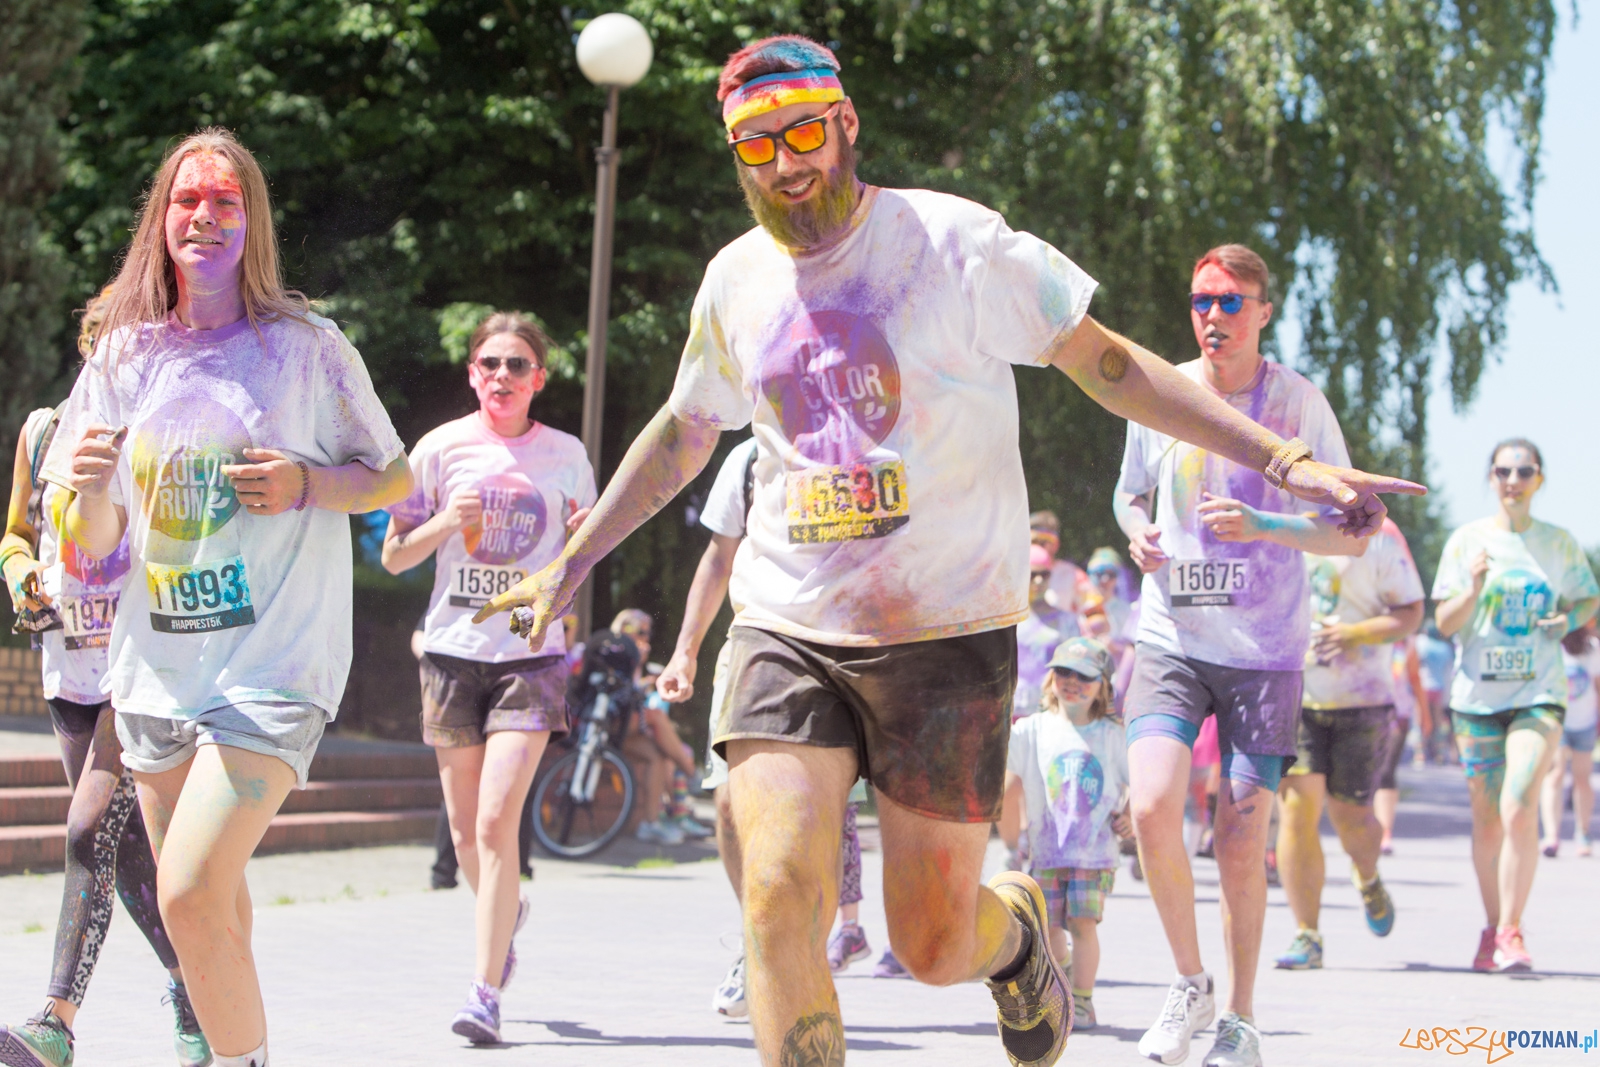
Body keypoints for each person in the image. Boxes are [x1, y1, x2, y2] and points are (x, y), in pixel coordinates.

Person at [474, 38, 1416, 1067]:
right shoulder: (734, 280)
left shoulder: (954, 241)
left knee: (930, 942)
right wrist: (572, 554)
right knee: (778, 890)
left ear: (845, 124)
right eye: (756, 144)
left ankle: (1011, 936)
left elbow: (1107, 364)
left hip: (947, 638)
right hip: (789, 622)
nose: (785, 162)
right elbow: (685, 428)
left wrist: (1281, 455)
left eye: (801, 132)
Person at [37, 128, 411, 1067]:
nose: (204, 217)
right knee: (220, 909)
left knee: (190, 893)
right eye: (187, 202)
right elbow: (97, 542)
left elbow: (394, 477)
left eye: (225, 203)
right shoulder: (125, 356)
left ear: (253, 222)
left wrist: (307, 485)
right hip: (156, 673)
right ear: (162, 221)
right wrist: (85, 488)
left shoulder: (306, 348)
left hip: (275, 666)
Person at [1114, 243, 1388, 1067]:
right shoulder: (1161, 390)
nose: (1213, 316)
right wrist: (1139, 535)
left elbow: (1351, 535)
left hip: (1266, 651)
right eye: (1202, 301)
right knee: (1153, 804)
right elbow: (1128, 493)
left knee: (1240, 835)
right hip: (1172, 636)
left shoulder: (1299, 405)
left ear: (1264, 311)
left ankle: (1240, 1015)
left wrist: (1266, 525)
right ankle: (1189, 981)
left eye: (1232, 302)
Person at [0, 303, 210, 1067]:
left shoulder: (166, 433)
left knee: (88, 826)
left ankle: (54, 1022)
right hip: (68, 668)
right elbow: (17, 532)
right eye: (99, 347)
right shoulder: (43, 430)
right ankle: (194, 988)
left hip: (139, 668)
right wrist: (19, 573)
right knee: (123, 861)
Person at [381, 309, 593, 1043]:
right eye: (490, 364)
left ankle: (483, 991)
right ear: (473, 374)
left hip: (529, 657)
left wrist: (575, 553)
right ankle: (506, 918)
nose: (502, 375)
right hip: (450, 654)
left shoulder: (566, 455)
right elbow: (395, 555)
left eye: (517, 365)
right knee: (469, 833)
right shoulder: (438, 449)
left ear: (539, 378)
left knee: (498, 821)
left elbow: (584, 553)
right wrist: (444, 522)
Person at [1433, 438, 1599, 973]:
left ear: (1539, 479)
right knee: (1487, 821)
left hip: (1539, 694)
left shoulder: (1559, 543)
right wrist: (1476, 586)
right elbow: (1444, 623)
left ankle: (1512, 929)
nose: (1513, 480)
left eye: (1523, 471)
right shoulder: (1466, 543)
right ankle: (1491, 930)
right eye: (1503, 470)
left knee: (1519, 801)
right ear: (1490, 478)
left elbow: (1588, 596)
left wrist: (1567, 620)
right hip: (1477, 699)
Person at [1273, 517, 1424, 970]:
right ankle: (1307, 934)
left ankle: (1368, 876)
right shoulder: (1276, 520)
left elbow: (1411, 613)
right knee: (1298, 812)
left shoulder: (1379, 530)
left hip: (1363, 700)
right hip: (1294, 693)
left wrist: (1354, 633)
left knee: (1352, 821)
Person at [999, 637, 1131, 1032]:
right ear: (1050, 678)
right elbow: (1004, 772)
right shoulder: (1033, 730)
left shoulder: (1113, 733)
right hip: (1046, 851)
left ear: (1103, 686)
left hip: (1095, 853)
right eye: (1064, 673)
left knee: (1082, 924)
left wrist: (1130, 814)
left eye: (1085, 676)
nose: (1072, 682)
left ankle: (1084, 1001)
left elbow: (1137, 779)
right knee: (1050, 927)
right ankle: (1064, 981)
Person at [610, 609, 705, 845]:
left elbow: (631, 693)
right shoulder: (612, 651)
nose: (645, 638)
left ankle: (651, 823)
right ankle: (693, 775)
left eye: (647, 633)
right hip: (609, 724)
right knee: (656, 717)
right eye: (639, 632)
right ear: (623, 630)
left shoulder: (635, 659)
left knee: (659, 756)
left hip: (625, 729)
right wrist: (634, 661)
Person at [1541, 622, 1599, 856]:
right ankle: (1551, 835)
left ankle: (1582, 833)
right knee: (1555, 774)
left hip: (1585, 722)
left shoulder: (1593, 648)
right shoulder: (1552, 645)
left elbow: (1598, 686)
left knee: (1581, 778)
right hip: (1558, 721)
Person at [1376, 636, 1429, 851]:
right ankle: (1365, 827)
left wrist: (1425, 714)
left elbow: (1414, 678)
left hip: (1398, 714)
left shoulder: (1406, 642)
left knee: (1386, 772)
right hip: (1364, 710)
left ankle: (1385, 832)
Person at [1016, 543, 1078, 720]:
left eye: (1044, 574)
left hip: (1051, 710)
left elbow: (1075, 667)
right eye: (1032, 574)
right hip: (1013, 710)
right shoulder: (1009, 621)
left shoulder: (1067, 621)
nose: (1038, 581)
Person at [1030, 511, 1089, 629]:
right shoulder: (1015, 573)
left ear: (1056, 544)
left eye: (1042, 543)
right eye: (1031, 542)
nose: (1035, 547)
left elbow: (1094, 612)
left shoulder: (1073, 575)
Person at [1416, 622, 1457, 763]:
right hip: (1439, 688)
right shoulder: (1444, 648)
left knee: (1421, 722)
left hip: (1423, 688)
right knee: (1438, 724)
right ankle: (1439, 754)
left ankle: (1420, 754)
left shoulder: (1422, 644)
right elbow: (1449, 669)